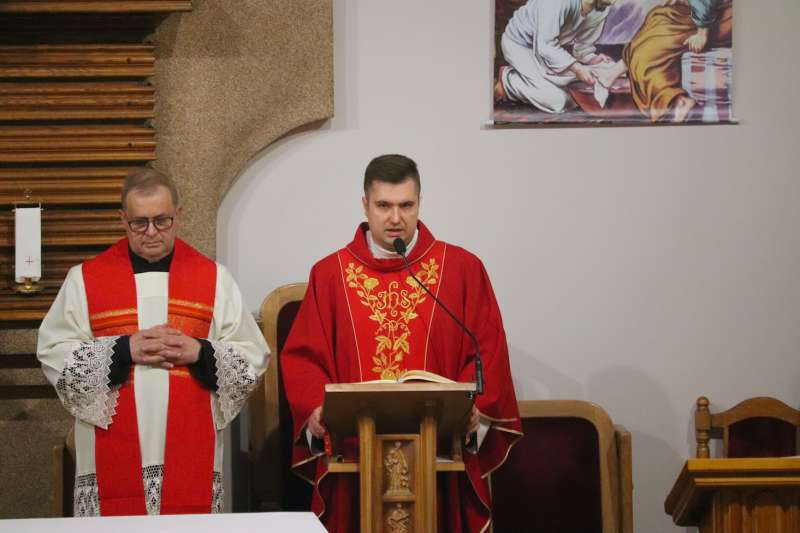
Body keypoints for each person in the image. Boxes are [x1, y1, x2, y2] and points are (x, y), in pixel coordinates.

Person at [281, 154, 522, 532]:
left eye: (406, 205)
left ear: (419, 203)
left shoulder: (461, 269)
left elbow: (486, 349)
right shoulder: (330, 275)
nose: (396, 218)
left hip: (438, 457)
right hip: (356, 458)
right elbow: (305, 358)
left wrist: (473, 408)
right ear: (365, 205)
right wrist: (315, 409)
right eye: (384, 206)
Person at [37, 167, 268, 516]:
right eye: (139, 223)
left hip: (190, 447)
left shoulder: (213, 279)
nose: (151, 232)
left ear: (178, 215)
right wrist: (122, 350)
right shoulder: (85, 280)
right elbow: (54, 352)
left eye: (162, 221)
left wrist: (201, 352)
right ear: (122, 219)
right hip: (111, 450)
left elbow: (252, 356)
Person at [593, 0, 733, 122]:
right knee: (657, 17)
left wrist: (702, 33)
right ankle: (615, 72)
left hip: (715, 17)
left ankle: (675, 101)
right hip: (697, 12)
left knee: (652, 46)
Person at [494, 0, 618, 113]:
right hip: (520, 46)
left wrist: (591, 58)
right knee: (560, 101)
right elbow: (545, 46)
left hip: (548, 54)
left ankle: (536, 80)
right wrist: (577, 68)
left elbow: (583, 47)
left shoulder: (600, 8)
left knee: (608, 69)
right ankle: (509, 80)